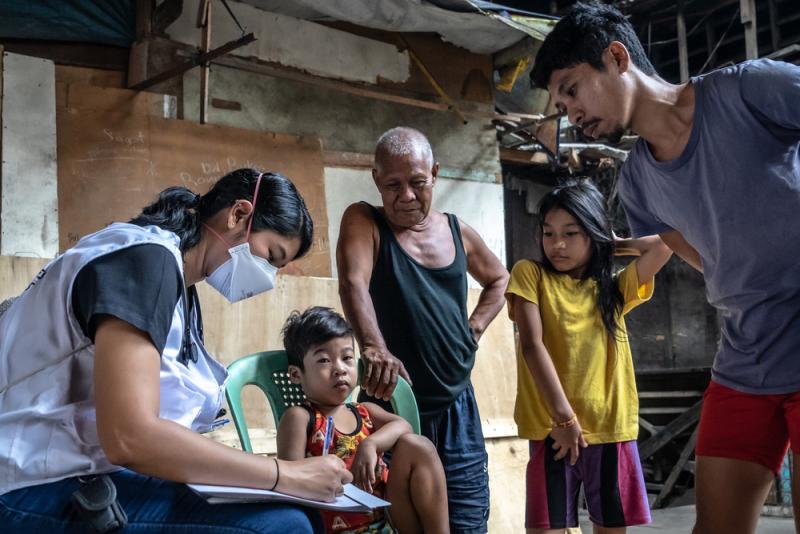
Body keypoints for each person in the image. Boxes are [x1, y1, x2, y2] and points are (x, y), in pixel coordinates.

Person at [531, 3, 800, 534]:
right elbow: (707, 258)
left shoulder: (746, 90)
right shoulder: (637, 184)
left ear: (616, 57)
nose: (569, 111)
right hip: (746, 359)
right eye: (560, 102)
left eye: (572, 88)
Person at [0, 168, 352, 532]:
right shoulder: (146, 261)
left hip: (74, 467)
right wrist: (283, 473)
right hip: (26, 481)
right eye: (269, 256)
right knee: (282, 525)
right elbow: (129, 436)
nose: (266, 277)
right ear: (239, 215)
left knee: (296, 512)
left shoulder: (176, 280)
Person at [336, 127, 509, 533]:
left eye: (417, 182)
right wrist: (374, 346)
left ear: (434, 173)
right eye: (393, 184)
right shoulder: (365, 220)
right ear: (376, 179)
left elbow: (500, 280)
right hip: (391, 410)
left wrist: (475, 329)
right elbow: (352, 282)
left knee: (466, 521)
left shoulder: (456, 230)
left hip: (457, 407)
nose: (406, 195)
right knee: (394, 525)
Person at [505, 181, 672, 533]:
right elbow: (533, 346)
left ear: (592, 234)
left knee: (610, 527)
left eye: (571, 232)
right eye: (549, 233)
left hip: (609, 427)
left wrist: (607, 244)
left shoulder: (612, 288)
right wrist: (565, 421)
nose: (557, 244)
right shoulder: (530, 274)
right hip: (553, 428)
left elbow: (662, 245)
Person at [277, 306, 450, 534]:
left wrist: (371, 444)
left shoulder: (364, 412)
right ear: (296, 374)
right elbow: (290, 483)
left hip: (388, 520)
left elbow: (403, 426)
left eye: (347, 358)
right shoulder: (300, 417)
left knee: (418, 446)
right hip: (330, 526)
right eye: (323, 361)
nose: (339, 369)